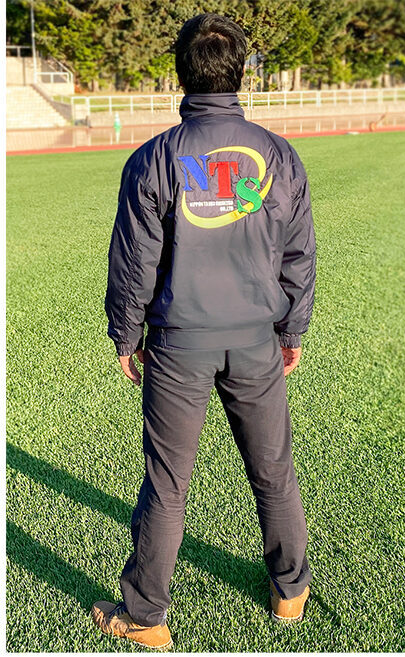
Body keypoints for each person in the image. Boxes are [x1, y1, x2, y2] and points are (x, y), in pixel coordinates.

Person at [91, 12, 316, 651]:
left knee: (167, 484)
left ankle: (145, 617)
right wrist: (291, 329)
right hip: (255, 338)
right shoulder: (279, 155)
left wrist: (125, 335)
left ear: (181, 73)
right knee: (273, 470)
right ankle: (290, 591)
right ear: (240, 72)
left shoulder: (153, 159)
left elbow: (133, 263)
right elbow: (298, 253)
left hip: (178, 343)